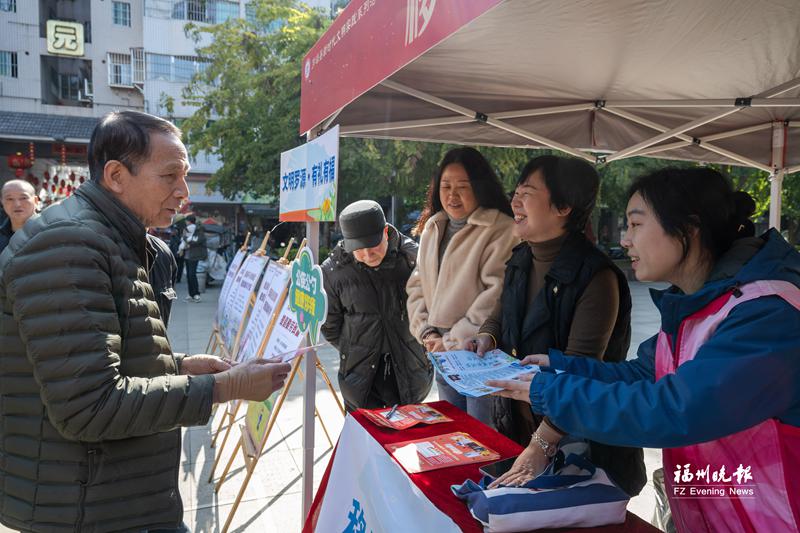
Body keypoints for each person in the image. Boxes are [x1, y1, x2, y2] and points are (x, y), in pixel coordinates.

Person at [0, 110, 291, 533]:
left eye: (185, 175)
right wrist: (228, 387)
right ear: (117, 175)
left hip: (113, 494)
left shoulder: (111, 236)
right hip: (84, 505)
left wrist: (179, 365)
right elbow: (89, 407)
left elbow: (98, 357)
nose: (183, 192)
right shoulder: (68, 244)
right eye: (170, 176)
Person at [488, 167, 800, 532]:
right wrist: (559, 368)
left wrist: (550, 391)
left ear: (688, 228)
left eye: (636, 225)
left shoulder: (767, 315)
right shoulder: (698, 305)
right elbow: (644, 374)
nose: (625, 240)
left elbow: (674, 409)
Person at [466, 155, 645, 496]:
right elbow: (501, 313)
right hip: (520, 425)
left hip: (575, 437)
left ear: (563, 206)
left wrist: (542, 444)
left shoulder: (596, 276)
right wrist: (486, 336)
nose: (514, 201)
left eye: (527, 192)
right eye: (515, 192)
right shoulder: (521, 257)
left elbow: (579, 370)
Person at [406, 147, 517, 425]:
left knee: (483, 435)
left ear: (480, 187)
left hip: (476, 351)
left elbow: (496, 293)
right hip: (441, 351)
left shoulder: (501, 229)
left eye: (462, 186)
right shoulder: (433, 226)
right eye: (445, 186)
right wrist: (426, 332)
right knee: (453, 432)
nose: (452, 195)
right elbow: (417, 284)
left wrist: (453, 340)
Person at [322, 200, 432, 412]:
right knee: (363, 438)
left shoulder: (412, 258)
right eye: (358, 249)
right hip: (359, 375)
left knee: (406, 440)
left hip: (409, 367)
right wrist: (358, 346)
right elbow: (330, 325)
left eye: (372, 245)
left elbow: (430, 310)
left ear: (385, 231)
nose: (367, 255)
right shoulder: (334, 271)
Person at [0, 179, 39, 253]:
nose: (17, 204)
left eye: (23, 198)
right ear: (2, 202)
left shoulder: (51, 232)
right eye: (10, 199)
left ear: (36, 201)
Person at [180, 214, 207, 302]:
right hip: (187, 255)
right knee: (188, 275)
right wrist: (186, 240)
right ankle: (191, 294)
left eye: (186, 221)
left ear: (189, 221)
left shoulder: (198, 230)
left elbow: (199, 240)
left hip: (194, 255)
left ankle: (196, 294)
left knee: (192, 274)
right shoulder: (186, 230)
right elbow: (184, 239)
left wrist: (188, 241)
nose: (186, 223)